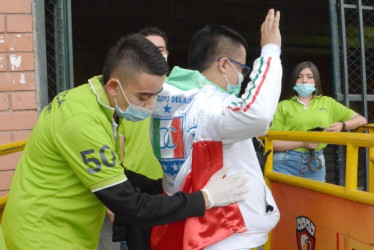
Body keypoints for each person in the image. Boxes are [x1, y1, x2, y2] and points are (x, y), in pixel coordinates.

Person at [1, 34, 251, 250]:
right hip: (42, 238)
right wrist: (204, 198)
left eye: (155, 96)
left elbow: (115, 171)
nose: (150, 106)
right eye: (143, 97)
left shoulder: (92, 101)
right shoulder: (82, 121)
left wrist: (165, 185)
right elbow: (130, 205)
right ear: (113, 86)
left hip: (56, 231)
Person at [150, 9, 282, 250]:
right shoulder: (210, 105)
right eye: (242, 68)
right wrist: (271, 51)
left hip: (188, 225)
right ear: (223, 64)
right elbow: (259, 114)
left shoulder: (166, 97)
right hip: (224, 233)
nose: (242, 76)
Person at [115, 26, 169, 250]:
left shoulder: (179, 95)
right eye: (149, 49)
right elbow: (120, 146)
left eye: (161, 49)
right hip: (131, 190)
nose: (156, 55)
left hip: (167, 190)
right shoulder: (126, 99)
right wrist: (113, 203)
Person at [269, 61, 367, 182]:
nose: (304, 81)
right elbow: (272, 143)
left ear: (316, 81)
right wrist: (302, 143)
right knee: (281, 201)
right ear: (294, 80)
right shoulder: (283, 106)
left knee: (314, 201)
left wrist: (342, 125)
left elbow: (361, 120)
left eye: (309, 77)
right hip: (285, 162)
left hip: (315, 162)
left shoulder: (328, 102)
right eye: (299, 77)